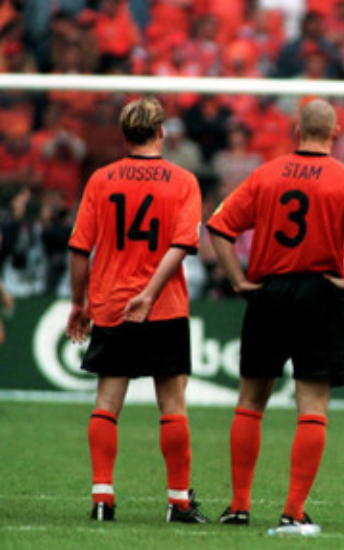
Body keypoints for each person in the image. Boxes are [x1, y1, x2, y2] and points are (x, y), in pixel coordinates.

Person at [206, 99, 344, 536]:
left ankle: (239, 505)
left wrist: (238, 280)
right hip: (322, 293)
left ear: (296, 132)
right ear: (335, 134)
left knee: (250, 399)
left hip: (269, 292)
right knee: (312, 406)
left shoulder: (266, 173)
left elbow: (219, 227)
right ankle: (293, 511)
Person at [65, 96, 207, 523]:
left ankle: (103, 498)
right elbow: (182, 245)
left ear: (125, 134)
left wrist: (78, 303)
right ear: (161, 132)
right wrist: (149, 292)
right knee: (173, 403)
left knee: (107, 403)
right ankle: (179, 502)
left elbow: (78, 249)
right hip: (163, 306)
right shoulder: (183, 181)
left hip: (110, 304)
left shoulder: (101, 180)